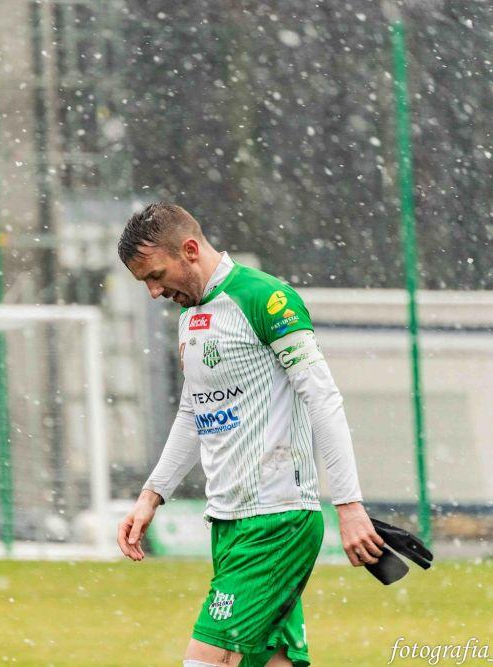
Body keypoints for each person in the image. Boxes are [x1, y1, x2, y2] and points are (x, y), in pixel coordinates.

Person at [115, 203, 385, 667]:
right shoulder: (191, 316)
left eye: (156, 276)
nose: (155, 292)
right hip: (229, 521)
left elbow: (323, 399)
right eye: (145, 283)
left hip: (275, 521)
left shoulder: (267, 299)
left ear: (190, 250)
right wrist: (151, 496)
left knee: (204, 661)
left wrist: (349, 505)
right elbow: (193, 411)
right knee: (272, 661)